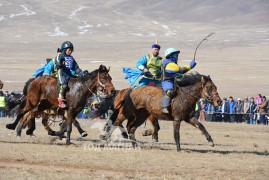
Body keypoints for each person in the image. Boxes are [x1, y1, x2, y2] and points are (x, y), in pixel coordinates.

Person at [161, 48, 196, 113]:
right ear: (171, 55)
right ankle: (164, 106)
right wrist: (190, 66)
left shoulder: (171, 63)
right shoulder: (170, 64)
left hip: (174, 81)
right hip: (167, 82)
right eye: (176, 55)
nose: (177, 57)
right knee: (170, 92)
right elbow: (181, 70)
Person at [55, 41, 83, 108]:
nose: (70, 51)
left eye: (71, 50)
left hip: (68, 73)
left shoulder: (71, 58)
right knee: (64, 85)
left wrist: (82, 73)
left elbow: (76, 68)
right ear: (64, 50)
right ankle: (60, 101)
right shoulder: (60, 56)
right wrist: (61, 63)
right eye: (69, 50)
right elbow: (58, 62)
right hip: (61, 73)